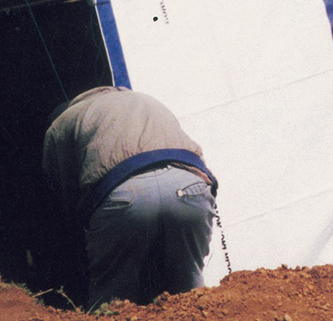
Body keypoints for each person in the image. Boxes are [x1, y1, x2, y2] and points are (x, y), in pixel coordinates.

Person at [43, 86, 217, 308]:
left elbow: (65, 193)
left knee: (113, 300)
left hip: (124, 194)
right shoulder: (144, 98)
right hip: (190, 186)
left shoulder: (61, 123)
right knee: (189, 291)